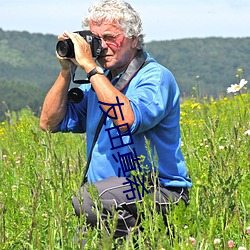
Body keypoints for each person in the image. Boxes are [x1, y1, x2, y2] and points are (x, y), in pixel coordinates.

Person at [40, 0, 192, 245]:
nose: (102, 47)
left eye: (110, 37)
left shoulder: (154, 77)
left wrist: (90, 67)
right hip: (110, 199)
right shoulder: (98, 83)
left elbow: (126, 119)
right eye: (96, 39)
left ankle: (146, 239)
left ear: (133, 38)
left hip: (159, 190)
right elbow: (49, 122)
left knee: (88, 200)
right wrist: (66, 70)